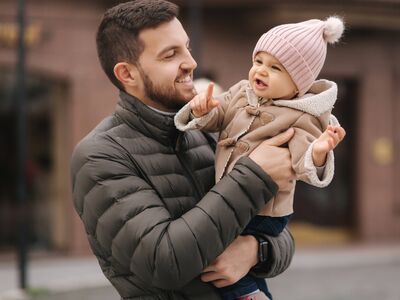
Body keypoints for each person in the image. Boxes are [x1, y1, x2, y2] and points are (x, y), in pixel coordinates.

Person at [70, 1, 305, 299]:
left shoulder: (204, 133)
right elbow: (163, 262)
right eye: (171, 54)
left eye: (187, 47)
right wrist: (254, 176)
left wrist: (255, 251)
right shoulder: (99, 156)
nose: (191, 62)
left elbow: (281, 234)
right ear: (127, 74)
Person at [174, 17, 346, 299]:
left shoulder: (303, 116)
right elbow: (219, 118)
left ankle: (248, 295)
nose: (262, 71)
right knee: (228, 258)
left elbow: (303, 162)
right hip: (236, 198)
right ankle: (254, 291)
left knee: (217, 252)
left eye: (275, 68)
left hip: (264, 211)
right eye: (259, 61)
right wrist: (202, 111)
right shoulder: (242, 93)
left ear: (297, 85)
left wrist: (318, 151)